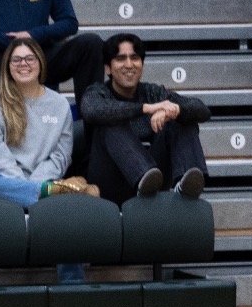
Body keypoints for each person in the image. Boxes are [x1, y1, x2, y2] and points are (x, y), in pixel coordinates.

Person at [79, 33, 209, 202]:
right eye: (120, 59)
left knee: (182, 117)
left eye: (135, 58)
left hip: (153, 183)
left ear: (142, 64)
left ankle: (185, 186)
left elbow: (202, 109)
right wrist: (146, 108)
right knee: (111, 122)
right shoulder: (97, 92)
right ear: (108, 68)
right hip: (110, 183)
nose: (128, 64)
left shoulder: (153, 92)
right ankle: (143, 177)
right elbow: (92, 111)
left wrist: (173, 110)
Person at [0, 40, 88, 206]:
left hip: (42, 179)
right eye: (16, 60)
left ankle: (39, 192)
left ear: (40, 62)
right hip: (3, 180)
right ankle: (46, 192)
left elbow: (61, 156)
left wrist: (33, 183)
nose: (23, 64)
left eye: (30, 59)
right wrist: (30, 186)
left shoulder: (60, 104)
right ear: (8, 66)